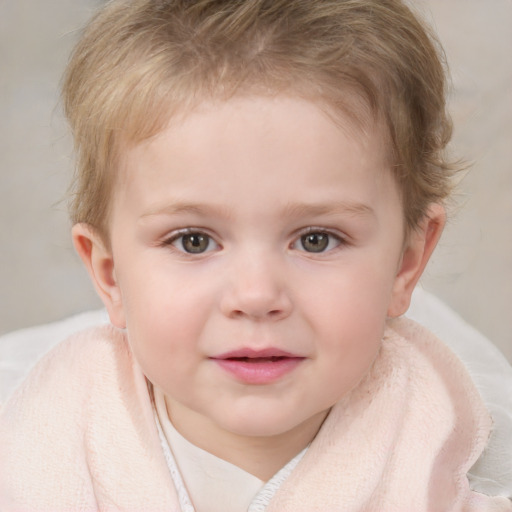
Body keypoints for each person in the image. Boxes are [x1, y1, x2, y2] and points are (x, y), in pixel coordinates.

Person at [0, 0, 510, 510]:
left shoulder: (455, 470)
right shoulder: (33, 448)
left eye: (316, 239)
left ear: (406, 262)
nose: (257, 295)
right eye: (193, 241)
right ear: (110, 275)